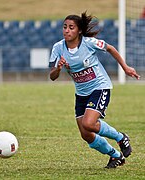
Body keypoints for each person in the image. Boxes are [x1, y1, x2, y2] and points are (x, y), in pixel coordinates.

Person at [49, 12, 140, 168]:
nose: (67, 30)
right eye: (65, 27)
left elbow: (110, 48)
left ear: (79, 31)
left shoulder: (89, 43)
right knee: (86, 134)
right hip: (81, 93)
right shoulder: (58, 48)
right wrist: (58, 68)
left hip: (100, 87)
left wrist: (125, 68)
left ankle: (120, 137)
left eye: (71, 27)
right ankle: (115, 156)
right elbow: (52, 76)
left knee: (89, 123)